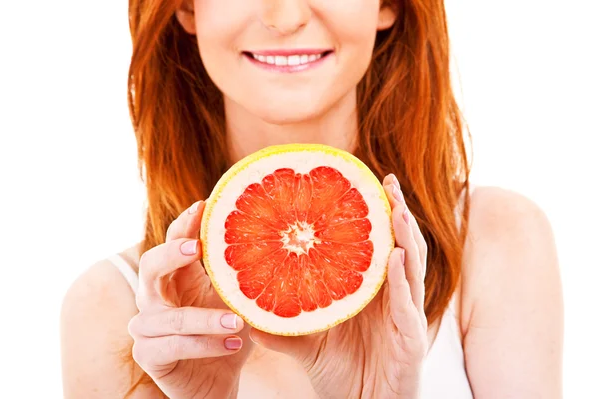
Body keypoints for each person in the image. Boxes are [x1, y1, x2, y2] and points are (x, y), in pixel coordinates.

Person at [60, 1, 563, 398]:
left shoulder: (495, 242)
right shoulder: (112, 310)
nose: (286, 17)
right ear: (186, 8)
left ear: (389, 4)